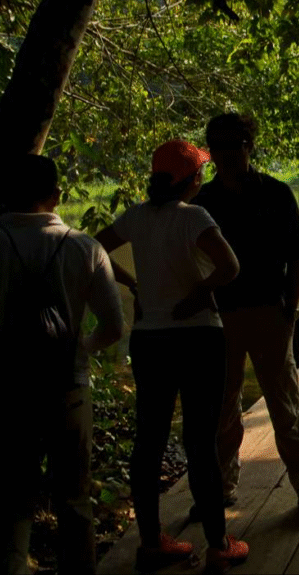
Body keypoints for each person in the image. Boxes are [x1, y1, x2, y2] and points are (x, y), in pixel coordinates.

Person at [95, 140, 249, 573]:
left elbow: (94, 249)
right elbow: (230, 267)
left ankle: (151, 542)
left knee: (149, 440)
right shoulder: (195, 216)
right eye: (199, 171)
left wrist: (134, 286)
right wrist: (199, 291)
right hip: (197, 337)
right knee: (200, 440)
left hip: (150, 340)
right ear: (191, 180)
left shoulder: (135, 216)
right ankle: (219, 545)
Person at [193, 112, 299, 528]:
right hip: (219, 319)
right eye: (217, 147)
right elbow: (192, 264)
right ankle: (219, 490)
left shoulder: (276, 193)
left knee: (286, 406)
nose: (226, 154)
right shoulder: (202, 204)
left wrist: (289, 311)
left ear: (249, 145)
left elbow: (296, 257)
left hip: (271, 312)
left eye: (234, 145)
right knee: (221, 409)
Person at [0, 154, 124, 575]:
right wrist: (82, 347)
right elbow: (114, 326)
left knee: (14, 497)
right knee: (74, 498)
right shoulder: (85, 246)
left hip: (6, 387)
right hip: (68, 384)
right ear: (56, 195)